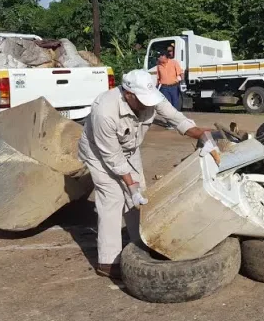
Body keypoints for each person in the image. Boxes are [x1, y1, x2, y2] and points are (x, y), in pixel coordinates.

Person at [78, 69, 219, 279]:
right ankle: (108, 261)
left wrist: (204, 136)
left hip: (129, 149)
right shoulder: (105, 111)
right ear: (128, 94)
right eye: (142, 101)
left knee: (139, 197)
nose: (148, 105)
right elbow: (113, 158)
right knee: (114, 197)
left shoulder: (150, 97)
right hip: (99, 152)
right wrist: (130, 185)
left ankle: (139, 244)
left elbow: (176, 118)